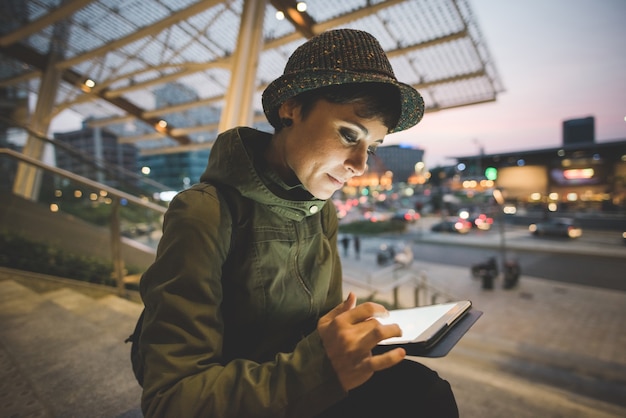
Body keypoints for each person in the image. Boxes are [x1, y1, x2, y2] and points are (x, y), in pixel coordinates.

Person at [136, 29, 459, 417]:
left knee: (425, 392)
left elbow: (315, 329)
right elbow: (171, 399)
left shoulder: (321, 210)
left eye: (370, 148)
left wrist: (349, 334)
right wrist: (322, 367)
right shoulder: (205, 212)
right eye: (347, 134)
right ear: (290, 108)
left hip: (305, 387)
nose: (359, 166)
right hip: (258, 398)